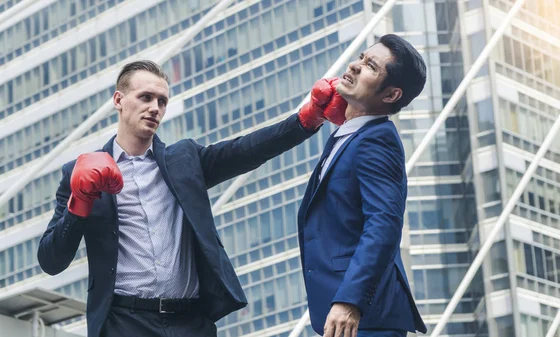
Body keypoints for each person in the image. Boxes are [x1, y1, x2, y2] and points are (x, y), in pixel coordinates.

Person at [37, 60, 345, 337]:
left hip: (190, 322)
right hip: (124, 323)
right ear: (119, 100)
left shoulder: (183, 160)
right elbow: (51, 260)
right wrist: (79, 202)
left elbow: (246, 150)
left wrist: (306, 120)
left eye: (162, 101)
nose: (154, 107)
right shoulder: (78, 171)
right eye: (145, 97)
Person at [297, 34, 429, 337]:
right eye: (361, 57)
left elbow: (384, 224)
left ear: (391, 95)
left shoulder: (376, 140)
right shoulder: (348, 137)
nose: (355, 66)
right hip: (344, 318)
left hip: (364, 319)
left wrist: (350, 301)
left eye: (371, 66)